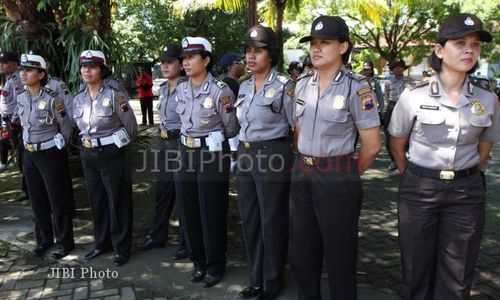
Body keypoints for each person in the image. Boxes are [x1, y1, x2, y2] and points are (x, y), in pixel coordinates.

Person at [389, 13, 499, 300]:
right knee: (415, 269)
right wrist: (413, 175)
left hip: (466, 191)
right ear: (440, 50)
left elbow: (484, 149)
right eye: (460, 43)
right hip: (419, 189)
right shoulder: (415, 95)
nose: (469, 50)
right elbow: (397, 144)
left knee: (458, 274)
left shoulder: (487, 99)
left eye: (475, 45)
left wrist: (466, 176)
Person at [290, 16, 381, 300]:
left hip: (337, 174)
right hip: (302, 171)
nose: (316, 49)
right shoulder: (303, 84)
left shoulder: (357, 87)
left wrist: (346, 172)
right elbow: (299, 128)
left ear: (343, 46)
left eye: (325, 43)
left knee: (340, 252)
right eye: (313, 43)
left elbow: (372, 145)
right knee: (303, 249)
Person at [235, 25, 295, 300]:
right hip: (246, 155)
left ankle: (272, 280)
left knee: (272, 219)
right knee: (250, 220)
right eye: (248, 51)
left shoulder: (285, 86)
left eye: (257, 51)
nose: (251, 56)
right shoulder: (245, 86)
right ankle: (255, 277)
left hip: (272, 154)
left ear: (270, 54)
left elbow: (298, 127)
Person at [174, 36, 238, 288]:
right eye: (184, 58)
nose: (186, 62)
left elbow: (231, 127)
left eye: (191, 57)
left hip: (212, 154)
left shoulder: (220, 91)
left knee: (211, 210)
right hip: (186, 152)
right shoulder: (181, 88)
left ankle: (215, 264)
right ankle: (198, 261)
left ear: (207, 60)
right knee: (188, 210)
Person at [73, 50, 137, 267]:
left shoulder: (114, 95)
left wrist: (117, 147)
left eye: (92, 66)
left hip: (112, 153)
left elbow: (131, 127)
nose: (87, 70)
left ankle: (122, 247)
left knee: (117, 200)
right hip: (88, 153)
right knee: (97, 199)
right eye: (84, 66)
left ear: (102, 70)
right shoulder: (79, 97)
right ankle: (102, 243)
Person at [16, 53, 75, 259]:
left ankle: (65, 242)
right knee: (37, 199)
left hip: (50, 153)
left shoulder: (53, 98)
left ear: (41, 74)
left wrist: (60, 146)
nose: (24, 74)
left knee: (57, 199)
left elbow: (66, 126)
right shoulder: (21, 97)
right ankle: (43, 240)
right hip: (29, 154)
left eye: (29, 70)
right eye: (22, 70)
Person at [135, 43, 188, 260]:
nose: (165, 67)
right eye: (162, 63)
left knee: (185, 197)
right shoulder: (164, 89)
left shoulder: (188, 87)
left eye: (170, 62)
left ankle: (187, 242)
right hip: (165, 145)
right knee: (162, 192)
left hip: (182, 145)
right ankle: (158, 235)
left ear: (181, 64)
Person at [0, 51, 29, 201]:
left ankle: (29, 190)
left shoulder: (17, 79)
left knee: (22, 157)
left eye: (5, 62)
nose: (1, 65)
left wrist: (15, 123)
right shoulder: (9, 78)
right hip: (10, 121)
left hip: (16, 123)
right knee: (19, 156)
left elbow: (20, 102)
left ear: (15, 63)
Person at [383, 58, 414, 171]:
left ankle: (408, 159)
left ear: (403, 69)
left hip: (407, 108)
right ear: (392, 69)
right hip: (392, 107)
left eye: (400, 66)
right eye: (395, 67)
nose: (398, 69)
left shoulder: (411, 81)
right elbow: (386, 98)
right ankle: (394, 160)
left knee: (409, 134)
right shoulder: (388, 83)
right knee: (389, 135)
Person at [220, 52, 245, 172]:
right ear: (229, 67)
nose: (242, 65)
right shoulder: (228, 85)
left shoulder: (236, 83)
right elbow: (228, 110)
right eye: (238, 63)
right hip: (232, 132)